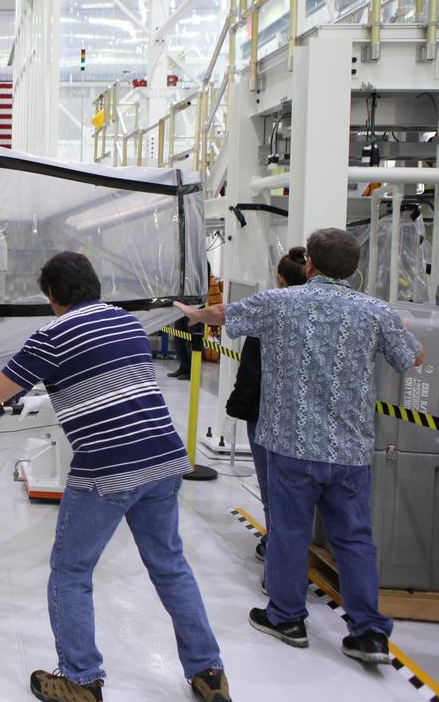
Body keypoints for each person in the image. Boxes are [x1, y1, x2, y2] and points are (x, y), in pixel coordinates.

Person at [0, 251, 229, 702]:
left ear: (51, 295)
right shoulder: (126, 322)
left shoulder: (52, 336)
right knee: (171, 566)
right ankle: (209, 673)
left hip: (107, 471)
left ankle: (80, 678)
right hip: (164, 458)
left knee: (71, 571)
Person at [177, 227, 421, 666]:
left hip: (289, 445)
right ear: (354, 269)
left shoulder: (279, 303)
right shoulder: (374, 311)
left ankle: (287, 618)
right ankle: (368, 633)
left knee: (289, 532)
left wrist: (193, 314)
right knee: (355, 539)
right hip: (349, 451)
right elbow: (411, 359)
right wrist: (401, 328)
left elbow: (222, 314)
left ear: (310, 264)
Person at [223, 246, 309, 562]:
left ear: (280, 278)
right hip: (307, 417)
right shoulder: (321, 317)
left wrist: (236, 407)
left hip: (264, 417)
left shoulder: (270, 313)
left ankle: (278, 556)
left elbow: (252, 370)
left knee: (273, 491)